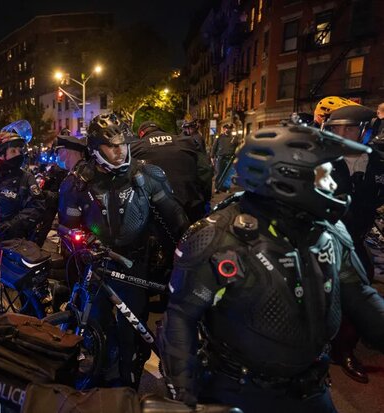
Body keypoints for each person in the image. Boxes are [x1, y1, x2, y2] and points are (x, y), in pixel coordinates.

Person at [159, 123, 384, 413]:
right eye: (323, 174)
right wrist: (183, 396)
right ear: (288, 178)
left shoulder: (330, 230)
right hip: (238, 394)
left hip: (312, 390)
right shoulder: (215, 236)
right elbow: (180, 317)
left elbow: (361, 296)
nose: (333, 183)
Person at [59, 113, 190, 388]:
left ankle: (130, 379)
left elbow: (176, 219)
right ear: (95, 149)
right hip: (95, 268)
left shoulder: (147, 174)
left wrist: (187, 256)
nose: (120, 151)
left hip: (136, 262)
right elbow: (66, 228)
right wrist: (81, 242)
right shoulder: (76, 182)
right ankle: (101, 378)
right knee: (98, 328)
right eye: (112, 146)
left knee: (133, 332)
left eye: (123, 144)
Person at [323, 104, 384, 383]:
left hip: (358, 238)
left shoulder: (379, 162)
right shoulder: (321, 161)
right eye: (337, 129)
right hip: (324, 238)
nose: (342, 134)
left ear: (365, 130)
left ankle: (344, 349)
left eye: (349, 128)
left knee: (361, 286)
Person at [134, 120, 211, 222]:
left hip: (154, 216)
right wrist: (205, 198)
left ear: (141, 134)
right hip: (190, 206)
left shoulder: (134, 148)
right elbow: (205, 170)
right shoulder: (186, 141)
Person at [0, 129, 45, 244]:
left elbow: (37, 206)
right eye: (13, 151)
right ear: (1, 154)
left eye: (20, 151)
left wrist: (13, 225)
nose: (19, 155)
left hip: (15, 242)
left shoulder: (26, 178)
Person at [35, 129, 87, 246]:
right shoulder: (76, 173)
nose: (56, 156)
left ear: (66, 152)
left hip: (79, 241)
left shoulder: (79, 177)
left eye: (58, 152)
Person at [210, 123, 237, 193]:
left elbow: (237, 148)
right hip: (220, 158)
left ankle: (226, 188)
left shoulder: (234, 138)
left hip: (230, 158)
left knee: (228, 174)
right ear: (224, 129)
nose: (228, 130)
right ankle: (217, 187)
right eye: (227, 128)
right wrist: (212, 157)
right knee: (219, 173)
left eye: (230, 128)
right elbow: (214, 147)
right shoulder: (219, 137)